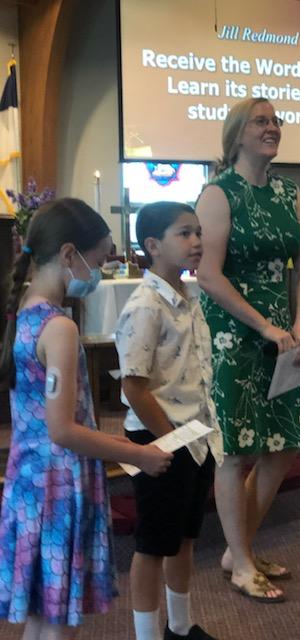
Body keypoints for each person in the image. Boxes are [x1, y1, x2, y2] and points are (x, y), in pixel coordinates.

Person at [0, 198, 172, 640]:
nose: (97, 273)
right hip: (57, 485)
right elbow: (62, 429)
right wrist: (138, 454)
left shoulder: (25, 311)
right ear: (68, 254)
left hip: (29, 479)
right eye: (97, 261)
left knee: (44, 616)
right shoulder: (59, 327)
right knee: (59, 624)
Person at [195, 97, 300, 602]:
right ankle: (241, 561)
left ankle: (237, 548)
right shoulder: (218, 193)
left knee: (284, 442)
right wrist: (264, 325)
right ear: (237, 135)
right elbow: (207, 274)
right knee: (237, 449)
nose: (272, 128)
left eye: (275, 121)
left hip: (282, 335)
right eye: (260, 122)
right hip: (233, 334)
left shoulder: (288, 191)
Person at [115, 201, 223, 640]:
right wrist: (170, 440)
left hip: (195, 435)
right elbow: (134, 386)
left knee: (184, 537)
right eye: (184, 233)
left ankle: (180, 626)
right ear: (153, 245)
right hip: (159, 438)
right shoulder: (146, 305)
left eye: (198, 232)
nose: (196, 241)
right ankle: (147, 636)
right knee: (153, 545)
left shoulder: (188, 297)